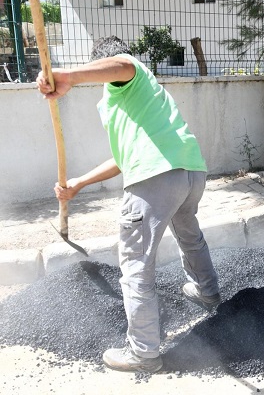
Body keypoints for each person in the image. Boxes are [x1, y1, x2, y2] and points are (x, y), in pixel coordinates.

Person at [36, 36, 221, 372]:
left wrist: (69, 76)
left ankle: (144, 352)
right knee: (189, 235)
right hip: (190, 171)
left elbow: (122, 64)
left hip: (156, 179)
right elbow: (124, 158)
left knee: (136, 263)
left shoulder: (129, 72)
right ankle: (207, 292)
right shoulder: (132, 101)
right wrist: (79, 182)